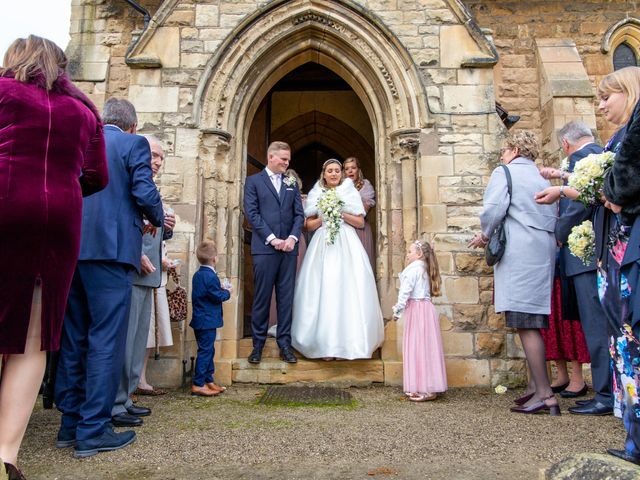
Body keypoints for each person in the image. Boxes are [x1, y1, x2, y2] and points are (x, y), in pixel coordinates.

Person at [0, 35, 108, 479]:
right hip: (59, 223)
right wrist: (60, 187)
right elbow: (97, 176)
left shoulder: (3, 92)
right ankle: (5, 456)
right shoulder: (84, 111)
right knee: (32, 338)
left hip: (5, 204)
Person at [54, 98, 164, 458]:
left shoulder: (83, 138)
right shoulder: (134, 145)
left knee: (75, 339)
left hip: (73, 249)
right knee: (105, 340)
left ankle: (69, 425)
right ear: (133, 125)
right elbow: (144, 192)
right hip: (112, 253)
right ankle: (93, 430)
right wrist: (158, 217)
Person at [469, 131, 558, 415]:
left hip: (519, 251)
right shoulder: (541, 177)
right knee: (534, 317)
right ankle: (535, 386)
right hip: (542, 252)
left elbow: (494, 209)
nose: (502, 154)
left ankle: (545, 395)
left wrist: (484, 234)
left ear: (516, 149)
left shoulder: (505, 172)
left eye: (505, 149)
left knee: (525, 322)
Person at [539, 121, 612, 415]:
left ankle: (606, 395)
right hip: (600, 254)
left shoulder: (582, 161)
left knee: (595, 325)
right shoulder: (599, 155)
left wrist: (558, 235)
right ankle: (609, 392)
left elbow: (576, 206)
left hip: (584, 256)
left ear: (566, 144)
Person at [110, 136, 175, 427]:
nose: (158, 162)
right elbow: (122, 220)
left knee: (138, 341)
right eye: (153, 155)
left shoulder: (148, 186)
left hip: (150, 275)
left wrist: (167, 228)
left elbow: (150, 227)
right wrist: (136, 252)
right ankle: (115, 403)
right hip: (133, 269)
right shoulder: (127, 181)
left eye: (161, 158)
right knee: (125, 341)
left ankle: (125, 398)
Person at [292, 159, 384, 359]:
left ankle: (347, 344)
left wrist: (340, 213)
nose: (333, 174)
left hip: (346, 242)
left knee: (347, 289)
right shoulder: (316, 192)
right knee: (322, 288)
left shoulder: (349, 190)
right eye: (330, 171)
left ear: (341, 174)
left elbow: (359, 222)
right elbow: (307, 225)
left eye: (337, 171)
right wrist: (323, 218)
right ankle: (322, 344)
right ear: (323, 174)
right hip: (322, 243)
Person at [594, 67, 640, 464]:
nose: (602, 104)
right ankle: (633, 435)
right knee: (623, 339)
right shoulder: (618, 137)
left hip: (630, 250)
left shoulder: (633, 135)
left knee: (630, 336)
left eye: (607, 96)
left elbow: (622, 186)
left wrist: (607, 190)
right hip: (619, 247)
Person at [243, 141, 304, 364]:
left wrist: (291, 238)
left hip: (288, 250)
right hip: (265, 250)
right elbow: (252, 213)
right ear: (271, 157)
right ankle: (257, 345)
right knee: (262, 297)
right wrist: (272, 239)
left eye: (288, 160)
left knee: (286, 299)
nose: (287, 163)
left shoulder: (291, 182)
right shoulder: (253, 182)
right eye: (284, 159)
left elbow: (299, 214)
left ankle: (285, 344)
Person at [392, 240, 447, 402]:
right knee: (427, 347)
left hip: (417, 311)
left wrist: (397, 311)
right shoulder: (426, 268)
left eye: (410, 252)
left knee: (418, 347)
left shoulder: (412, 270)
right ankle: (423, 386)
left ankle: (425, 389)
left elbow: (405, 293)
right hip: (427, 310)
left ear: (419, 254)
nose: (407, 255)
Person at [268, 169, 307, 336]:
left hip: (298, 241)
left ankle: (296, 322)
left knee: (297, 281)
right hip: (276, 240)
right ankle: (276, 322)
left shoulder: (305, 199)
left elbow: (304, 220)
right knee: (277, 282)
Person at [190, 240, 232, 396]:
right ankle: (198, 383)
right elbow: (216, 296)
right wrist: (227, 291)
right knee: (206, 351)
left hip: (201, 319)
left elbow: (206, 293)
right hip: (206, 321)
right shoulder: (210, 277)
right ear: (214, 259)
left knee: (208, 350)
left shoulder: (198, 274)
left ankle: (209, 380)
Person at [137, 240, 176, 396]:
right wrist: (158, 261)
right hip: (145, 275)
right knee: (142, 331)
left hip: (157, 279)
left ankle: (140, 378)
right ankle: (130, 382)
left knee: (152, 334)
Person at [344, 157, 376, 268]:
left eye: (353, 168)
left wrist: (342, 209)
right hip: (344, 229)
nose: (350, 171)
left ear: (359, 170)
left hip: (360, 230)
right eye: (347, 169)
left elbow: (363, 211)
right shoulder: (339, 188)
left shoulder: (365, 186)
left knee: (361, 265)